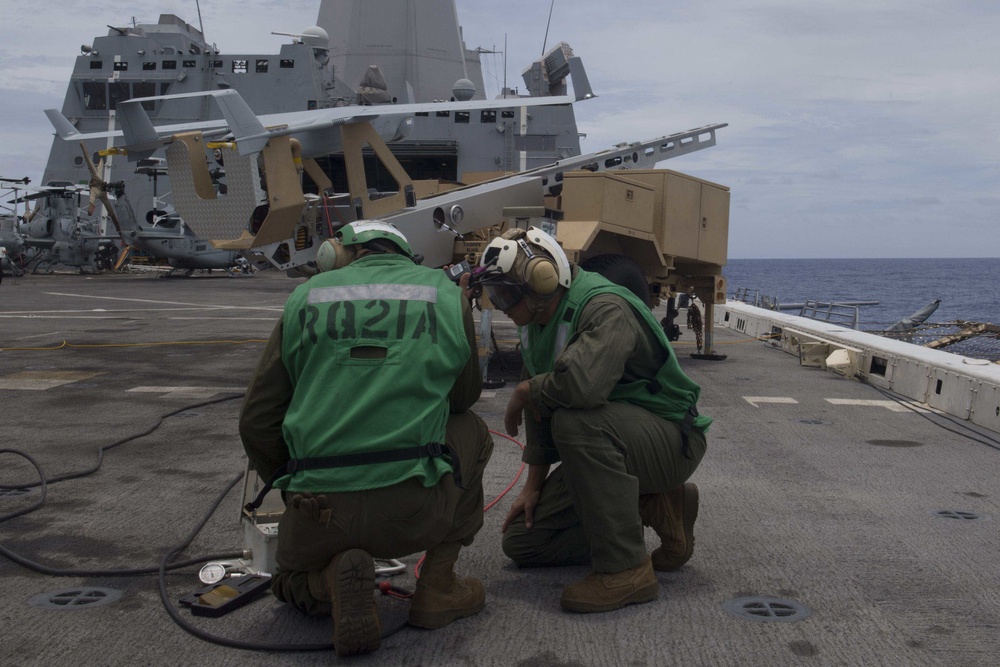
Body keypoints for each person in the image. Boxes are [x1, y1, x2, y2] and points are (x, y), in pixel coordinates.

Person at [239, 220, 494, 657]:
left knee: (288, 583)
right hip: (413, 510)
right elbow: (463, 397)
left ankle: (328, 579)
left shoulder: (307, 296)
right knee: (473, 430)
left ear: (337, 253)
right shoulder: (445, 293)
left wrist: (292, 483)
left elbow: (257, 420)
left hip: (318, 512)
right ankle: (437, 585)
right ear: (404, 254)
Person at [476, 227, 710, 614]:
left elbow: (581, 388)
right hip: (616, 443)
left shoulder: (604, 307)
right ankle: (656, 505)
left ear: (541, 280)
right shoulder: (535, 324)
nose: (499, 304)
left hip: (670, 439)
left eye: (505, 293)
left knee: (574, 422)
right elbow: (538, 399)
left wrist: (524, 392)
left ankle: (628, 569)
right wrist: (532, 486)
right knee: (524, 542)